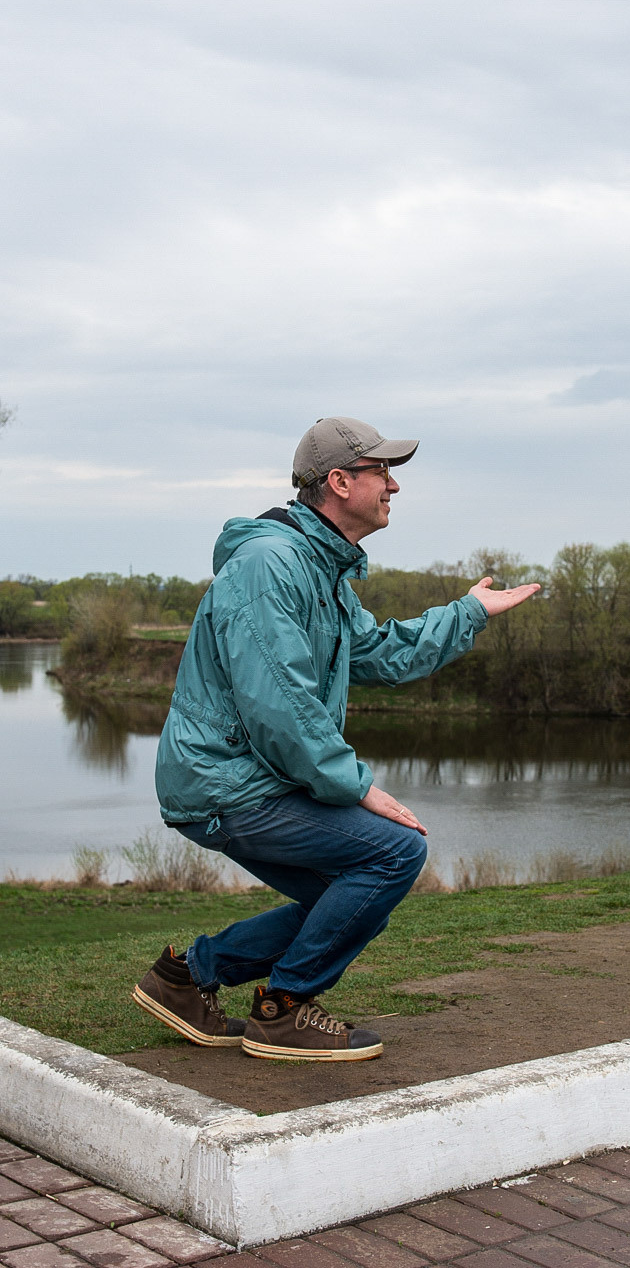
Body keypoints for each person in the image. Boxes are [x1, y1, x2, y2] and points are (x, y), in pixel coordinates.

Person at [133, 417, 539, 1062]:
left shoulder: (321, 571)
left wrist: (465, 614)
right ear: (340, 481)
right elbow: (280, 705)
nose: (394, 486)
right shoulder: (272, 566)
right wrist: (357, 788)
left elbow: (375, 652)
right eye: (381, 472)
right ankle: (284, 1008)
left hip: (252, 777)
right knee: (393, 853)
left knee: (343, 900)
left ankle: (189, 976)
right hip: (229, 781)